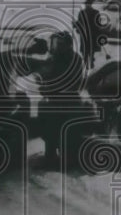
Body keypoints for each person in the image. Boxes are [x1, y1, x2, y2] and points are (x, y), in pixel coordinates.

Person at [34, 31, 85, 165]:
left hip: (66, 102)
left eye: (59, 44)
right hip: (57, 102)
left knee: (63, 134)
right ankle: (52, 158)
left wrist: (47, 88)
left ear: (67, 45)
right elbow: (46, 75)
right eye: (56, 44)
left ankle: (63, 160)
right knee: (51, 133)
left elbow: (68, 82)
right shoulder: (57, 58)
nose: (56, 47)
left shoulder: (72, 60)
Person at [75, 0, 104, 69]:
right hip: (88, 34)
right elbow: (79, 23)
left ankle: (90, 62)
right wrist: (75, 25)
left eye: (88, 4)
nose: (87, 6)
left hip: (91, 34)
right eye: (86, 4)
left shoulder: (94, 12)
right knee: (86, 50)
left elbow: (98, 23)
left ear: (90, 5)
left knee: (89, 49)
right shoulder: (83, 13)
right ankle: (86, 62)